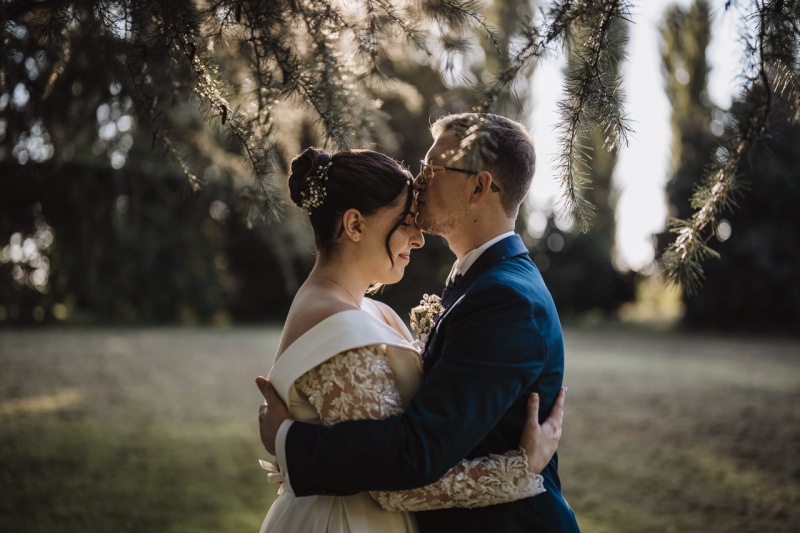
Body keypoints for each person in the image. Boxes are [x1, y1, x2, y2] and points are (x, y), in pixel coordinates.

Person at [257, 146, 566, 532]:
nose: (418, 238)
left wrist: (291, 444)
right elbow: (392, 480)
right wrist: (521, 470)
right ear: (355, 225)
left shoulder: (369, 310)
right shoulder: (335, 324)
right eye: (405, 222)